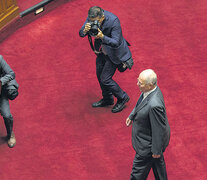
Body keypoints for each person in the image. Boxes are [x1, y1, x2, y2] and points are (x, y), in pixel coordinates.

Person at [79, 6, 132, 113]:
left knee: (105, 79)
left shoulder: (113, 21)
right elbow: (81, 33)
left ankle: (122, 97)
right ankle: (108, 98)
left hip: (113, 54)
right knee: (99, 75)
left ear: (102, 17)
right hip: (101, 51)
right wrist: (84, 31)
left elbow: (116, 42)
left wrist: (102, 36)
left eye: (96, 22)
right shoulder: (92, 17)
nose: (94, 23)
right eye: (91, 21)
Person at [126, 69, 170, 180]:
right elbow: (141, 102)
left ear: (150, 85)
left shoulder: (154, 105)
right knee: (158, 168)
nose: (137, 84)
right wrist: (132, 115)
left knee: (137, 175)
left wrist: (155, 150)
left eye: (140, 83)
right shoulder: (150, 90)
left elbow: (158, 129)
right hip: (153, 145)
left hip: (147, 147)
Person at [0, 55, 18, 148]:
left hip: (0, 92)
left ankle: (10, 133)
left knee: (6, 114)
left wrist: (1, 81)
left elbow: (11, 74)